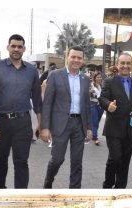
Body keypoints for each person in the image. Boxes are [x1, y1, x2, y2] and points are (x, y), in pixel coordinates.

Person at [0, 34, 42, 188]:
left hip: (23, 122)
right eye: (13, 46)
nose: (16, 49)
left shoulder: (32, 70)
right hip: (0, 121)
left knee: (21, 161)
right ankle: (0, 189)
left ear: (24, 49)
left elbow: (37, 99)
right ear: (8, 47)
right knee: (1, 159)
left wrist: (41, 124)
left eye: (19, 46)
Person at [40, 46, 92, 188]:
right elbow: (47, 103)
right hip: (60, 124)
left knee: (77, 163)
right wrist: (44, 127)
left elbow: (87, 105)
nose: (76, 60)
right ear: (67, 58)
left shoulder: (85, 79)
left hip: (79, 125)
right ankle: (48, 181)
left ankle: (74, 191)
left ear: (83, 60)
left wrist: (89, 127)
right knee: (57, 159)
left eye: (79, 58)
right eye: (73, 57)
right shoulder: (55, 75)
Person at [98, 52, 132, 189]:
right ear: (117, 65)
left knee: (125, 160)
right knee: (116, 157)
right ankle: (108, 183)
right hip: (113, 128)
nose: (125, 66)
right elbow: (102, 99)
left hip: (130, 129)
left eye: (128, 63)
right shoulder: (109, 82)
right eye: (122, 63)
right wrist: (108, 105)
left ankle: (120, 186)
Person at [88, 71, 104, 145]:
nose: (99, 78)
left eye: (100, 77)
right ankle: (95, 137)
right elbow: (86, 94)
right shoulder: (91, 85)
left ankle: (92, 133)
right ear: (94, 78)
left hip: (101, 105)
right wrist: (90, 91)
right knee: (94, 121)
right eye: (97, 77)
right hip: (93, 104)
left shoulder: (103, 85)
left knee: (97, 121)